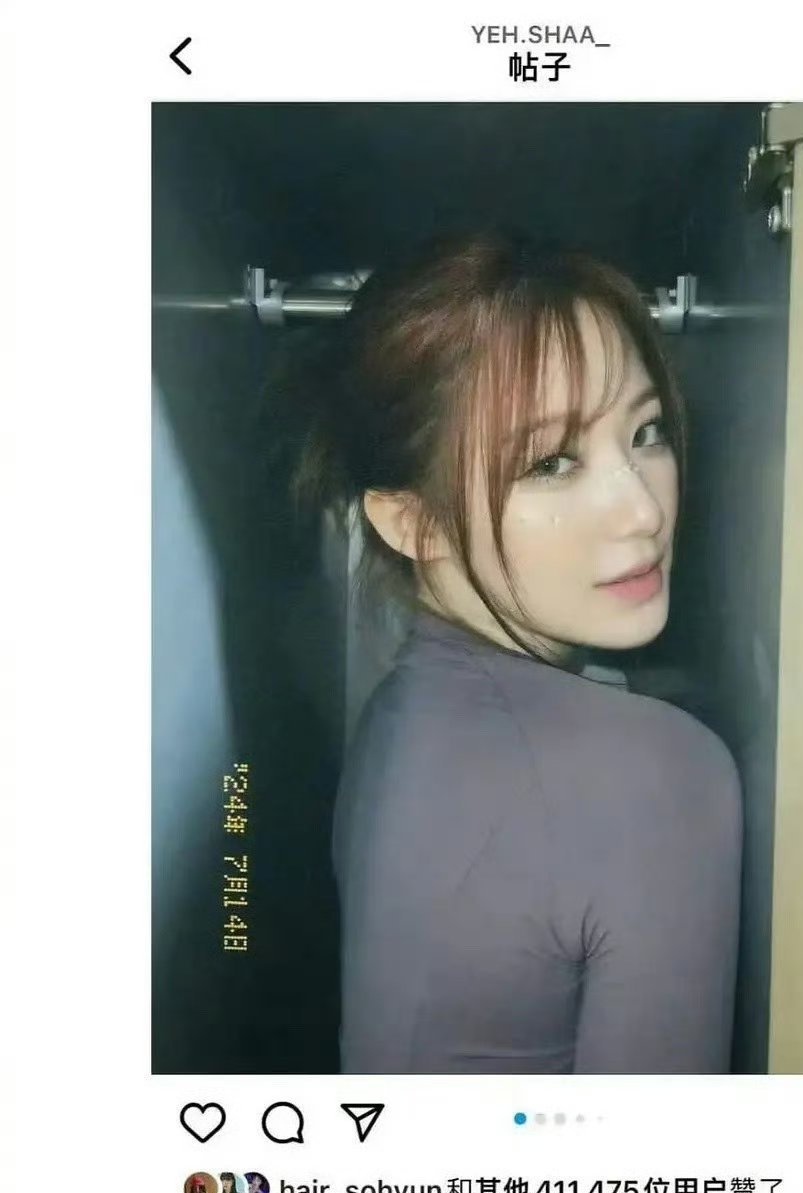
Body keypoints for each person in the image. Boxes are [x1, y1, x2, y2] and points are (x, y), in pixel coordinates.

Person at [290, 227, 742, 1073]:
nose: (642, 510)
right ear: (410, 521)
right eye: (552, 463)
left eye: (646, 432)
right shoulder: (661, 774)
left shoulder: (399, 712)